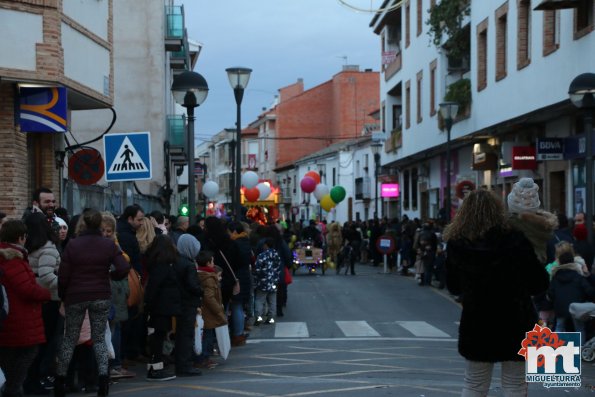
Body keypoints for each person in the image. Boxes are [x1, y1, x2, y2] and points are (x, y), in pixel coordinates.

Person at [444, 190, 549, 396]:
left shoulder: (457, 244)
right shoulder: (516, 240)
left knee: (475, 383)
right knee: (515, 383)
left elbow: (453, 286)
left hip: (478, 322)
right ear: (498, 210)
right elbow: (538, 283)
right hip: (516, 320)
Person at [54, 209, 130, 397]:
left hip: (76, 296)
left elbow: (63, 276)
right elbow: (123, 267)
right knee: (98, 340)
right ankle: (102, 382)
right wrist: (110, 275)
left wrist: (64, 295)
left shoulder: (72, 245)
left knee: (70, 339)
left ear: (84, 224)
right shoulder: (108, 245)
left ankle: (60, 382)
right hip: (100, 295)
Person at [0, 220, 51, 397]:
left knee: (12, 357)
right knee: (23, 356)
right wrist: (46, 294)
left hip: (12, 317)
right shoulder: (12, 260)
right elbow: (26, 289)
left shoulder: (11, 257)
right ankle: (12, 389)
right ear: (21, 237)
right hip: (19, 318)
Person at [23, 213, 62, 395]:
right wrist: (64, 284)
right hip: (49, 299)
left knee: (35, 342)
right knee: (44, 342)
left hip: (33, 298)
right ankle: (35, 379)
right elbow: (47, 276)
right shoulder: (48, 248)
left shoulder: (27, 247)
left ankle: (31, 378)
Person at [143, 235, 179, 381]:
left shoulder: (158, 263)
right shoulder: (162, 265)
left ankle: (155, 368)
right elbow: (155, 287)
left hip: (158, 306)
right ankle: (155, 370)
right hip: (160, 307)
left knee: (156, 337)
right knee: (157, 338)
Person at [174, 235, 203, 376]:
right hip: (189, 303)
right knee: (187, 335)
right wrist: (201, 290)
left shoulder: (176, 261)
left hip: (179, 302)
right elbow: (192, 286)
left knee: (181, 334)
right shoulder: (189, 265)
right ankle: (185, 365)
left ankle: (181, 363)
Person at [196, 251, 226, 369]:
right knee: (207, 336)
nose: (214, 264)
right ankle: (204, 358)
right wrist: (218, 309)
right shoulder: (208, 278)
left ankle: (204, 357)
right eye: (212, 261)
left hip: (204, 311)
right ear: (208, 263)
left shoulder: (200, 274)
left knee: (205, 335)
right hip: (209, 312)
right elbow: (209, 297)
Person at [253, 238, 282, 325]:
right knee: (272, 300)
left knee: (259, 300)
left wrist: (256, 279)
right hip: (273, 282)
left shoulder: (261, 256)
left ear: (266, 245)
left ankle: (258, 318)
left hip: (262, 282)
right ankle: (271, 318)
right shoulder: (277, 255)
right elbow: (279, 268)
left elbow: (257, 269)